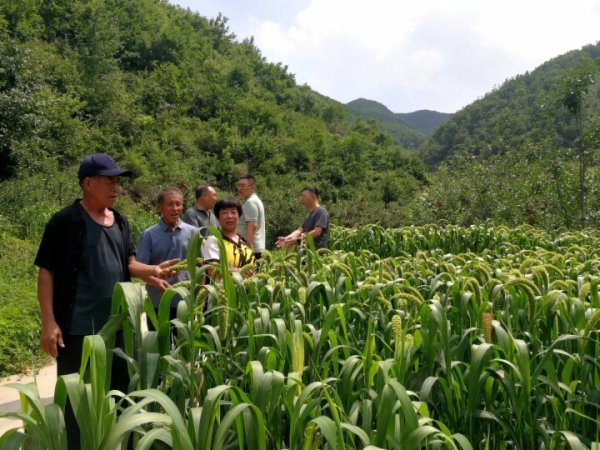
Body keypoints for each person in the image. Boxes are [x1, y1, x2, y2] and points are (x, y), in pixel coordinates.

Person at [34, 153, 179, 449]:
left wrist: (149, 271)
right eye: (109, 181)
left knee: (122, 396)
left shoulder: (121, 221)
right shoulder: (65, 221)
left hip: (118, 327)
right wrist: (49, 322)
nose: (117, 188)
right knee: (76, 403)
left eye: (118, 182)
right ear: (88, 183)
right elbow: (46, 272)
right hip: (76, 330)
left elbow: (128, 263)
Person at [136, 187, 197, 320]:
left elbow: (201, 265)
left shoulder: (193, 233)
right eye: (170, 204)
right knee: (159, 339)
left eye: (178, 204)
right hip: (158, 301)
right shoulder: (149, 235)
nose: (175, 208)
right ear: (159, 207)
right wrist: (156, 282)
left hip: (185, 300)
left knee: (185, 340)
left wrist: (198, 295)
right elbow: (140, 270)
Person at [201, 198, 255, 273]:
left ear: (239, 216)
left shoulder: (246, 244)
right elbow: (212, 271)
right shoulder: (214, 241)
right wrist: (240, 272)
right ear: (217, 218)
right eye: (224, 213)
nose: (229, 216)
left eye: (233, 212)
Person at [236, 175, 266, 259]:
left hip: (252, 250)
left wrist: (248, 250)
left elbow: (252, 226)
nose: (239, 188)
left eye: (242, 186)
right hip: (256, 248)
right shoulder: (254, 200)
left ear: (253, 187)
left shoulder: (250, 202)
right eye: (238, 185)